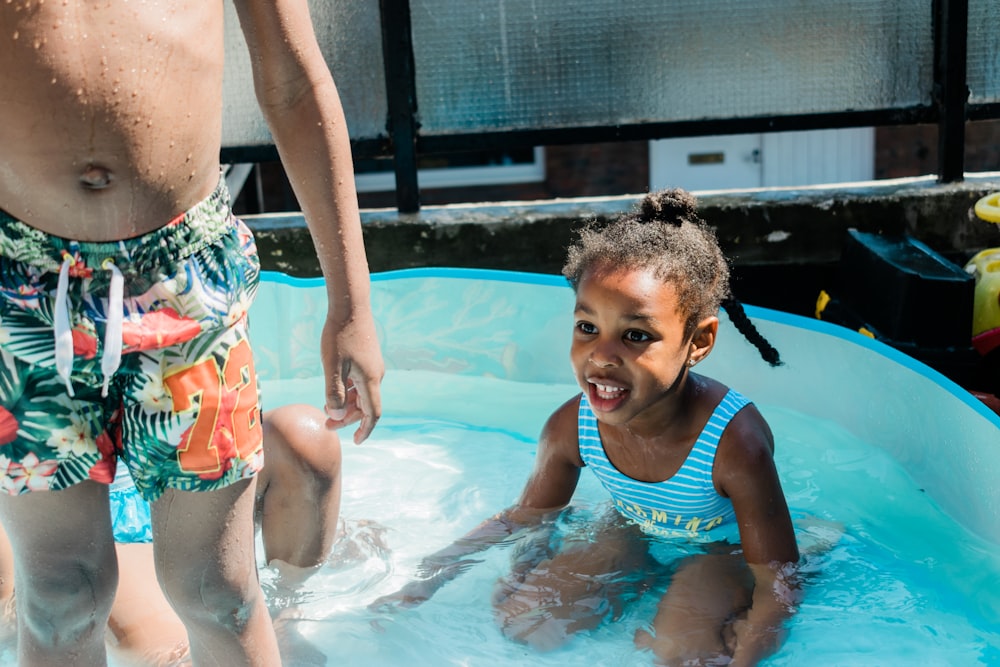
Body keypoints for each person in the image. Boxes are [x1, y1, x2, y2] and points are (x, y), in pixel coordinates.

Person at [0, 1, 383, 665]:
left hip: (187, 280)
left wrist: (351, 305)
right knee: (60, 598)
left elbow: (294, 82)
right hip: (24, 290)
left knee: (219, 590)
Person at [373, 189, 800, 667]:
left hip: (723, 549)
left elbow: (779, 579)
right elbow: (525, 516)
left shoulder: (733, 443)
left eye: (635, 335)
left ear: (699, 341)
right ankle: (639, 571)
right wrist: (428, 578)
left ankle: (672, 593)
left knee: (682, 656)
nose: (601, 355)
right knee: (527, 621)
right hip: (632, 529)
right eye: (587, 327)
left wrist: (752, 650)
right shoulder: (570, 426)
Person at [0, 402, 342, 666]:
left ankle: (288, 606)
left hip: (178, 480)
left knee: (306, 432)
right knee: (76, 600)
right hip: (97, 522)